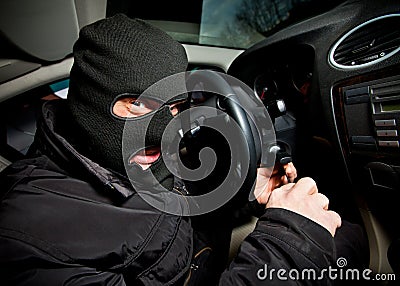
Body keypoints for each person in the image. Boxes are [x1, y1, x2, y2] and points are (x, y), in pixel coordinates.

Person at [0, 14, 366, 285]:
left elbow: (177, 225)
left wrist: (243, 193)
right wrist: (289, 241)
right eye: (138, 104)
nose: (163, 131)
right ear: (89, 100)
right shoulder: (22, 235)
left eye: (174, 107)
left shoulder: (137, 161)